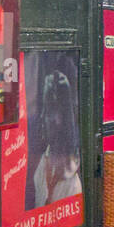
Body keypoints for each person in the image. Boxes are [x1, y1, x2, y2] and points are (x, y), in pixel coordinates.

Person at [31, 68, 83, 208]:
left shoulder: (72, 183)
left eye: (49, 111)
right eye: (45, 111)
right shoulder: (43, 161)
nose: (44, 117)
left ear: (62, 116)